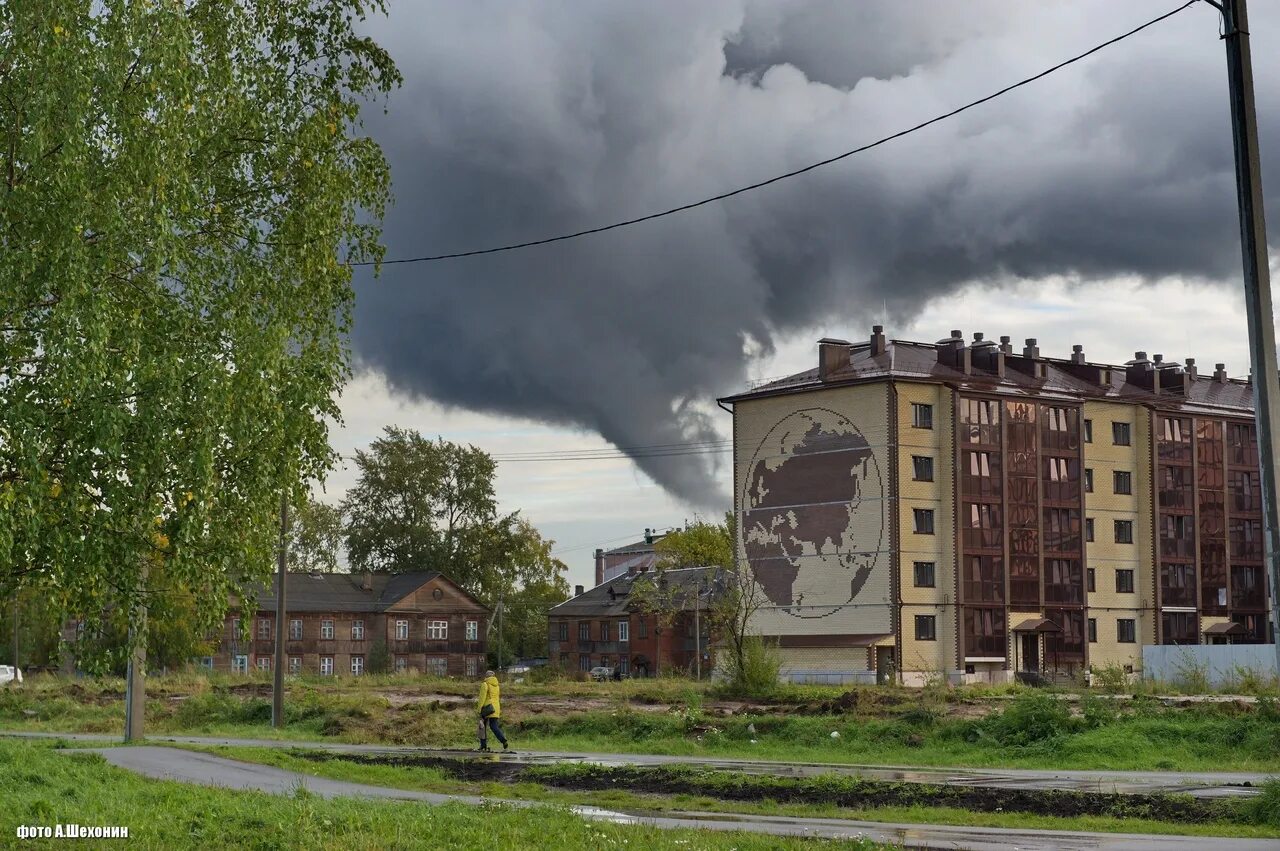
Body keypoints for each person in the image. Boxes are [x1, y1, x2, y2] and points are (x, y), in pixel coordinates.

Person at [476, 669, 508, 752]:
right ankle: (503, 740)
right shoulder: (497, 685)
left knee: (482, 727)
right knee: (494, 726)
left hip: (487, 708)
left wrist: (479, 709)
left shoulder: (485, 684)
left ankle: (483, 745)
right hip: (496, 708)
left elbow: (482, 698)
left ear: (486, 676)